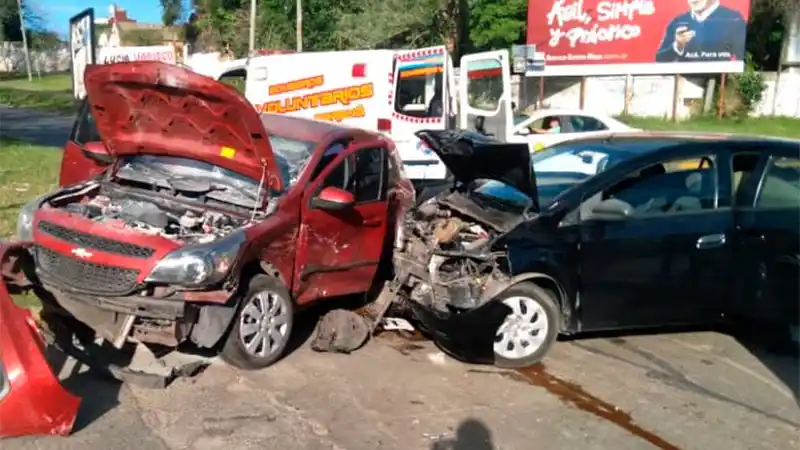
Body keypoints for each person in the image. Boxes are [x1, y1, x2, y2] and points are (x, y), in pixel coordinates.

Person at [655, 0, 747, 63]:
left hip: (719, 83)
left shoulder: (733, 19)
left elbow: (743, 59)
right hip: (684, 84)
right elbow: (660, 59)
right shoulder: (678, 21)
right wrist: (678, 46)